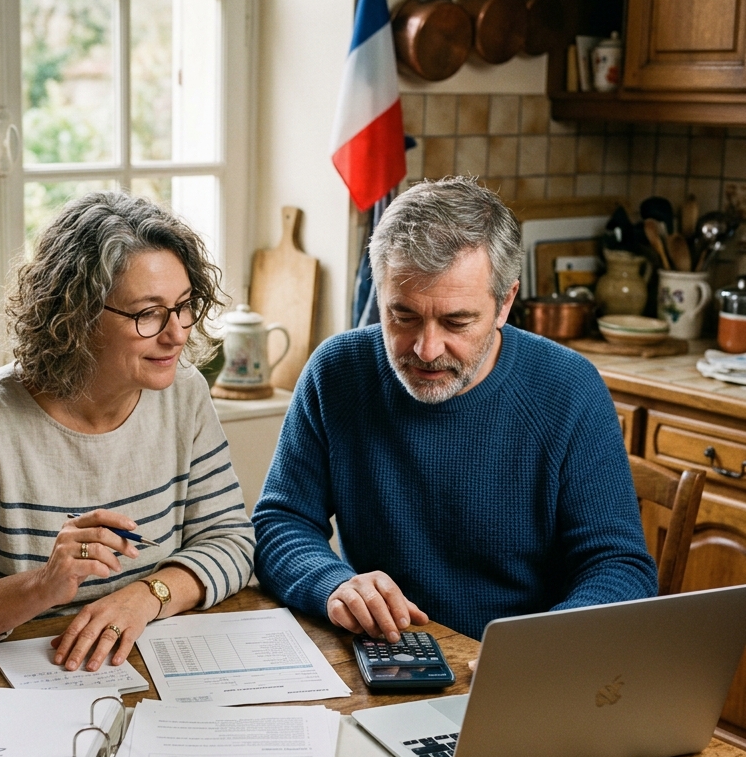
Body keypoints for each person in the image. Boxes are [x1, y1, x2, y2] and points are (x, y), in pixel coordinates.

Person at [253, 176, 656, 644]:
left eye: (456, 321)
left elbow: (620, 568)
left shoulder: (568, 389)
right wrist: (334, 584)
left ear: (505, 303)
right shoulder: (337, 371)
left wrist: (532, 649)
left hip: (514, 668)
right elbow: (281, 522)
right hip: (387, 654)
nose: (426, 349)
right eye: (402, 316)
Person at [0, 192, 254, 670]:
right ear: (77, 317)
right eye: (148, 313)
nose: (177, 333)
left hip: (152, 664)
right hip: (27, 681)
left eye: (184, 306)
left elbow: (231, 541)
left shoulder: (184, 393)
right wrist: (44, 585)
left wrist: (145, 597)